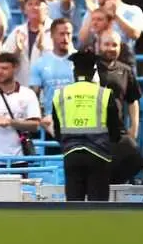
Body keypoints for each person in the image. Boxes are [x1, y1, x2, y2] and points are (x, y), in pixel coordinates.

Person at [52, 51, 122, 201]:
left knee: (74, 206)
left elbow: (57, 130)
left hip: (71, 154)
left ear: (74, 71)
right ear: (94, 72)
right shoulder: (104, 94)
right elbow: (115, 130)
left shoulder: (60, 94)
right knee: (98, 206)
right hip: (99, 155)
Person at [0, 53, 41, 171]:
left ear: (15, 68)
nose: (0, 72)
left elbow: (35, 125)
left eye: (4, 68)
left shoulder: (28, 94)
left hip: (19, 157)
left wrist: (11, 122)